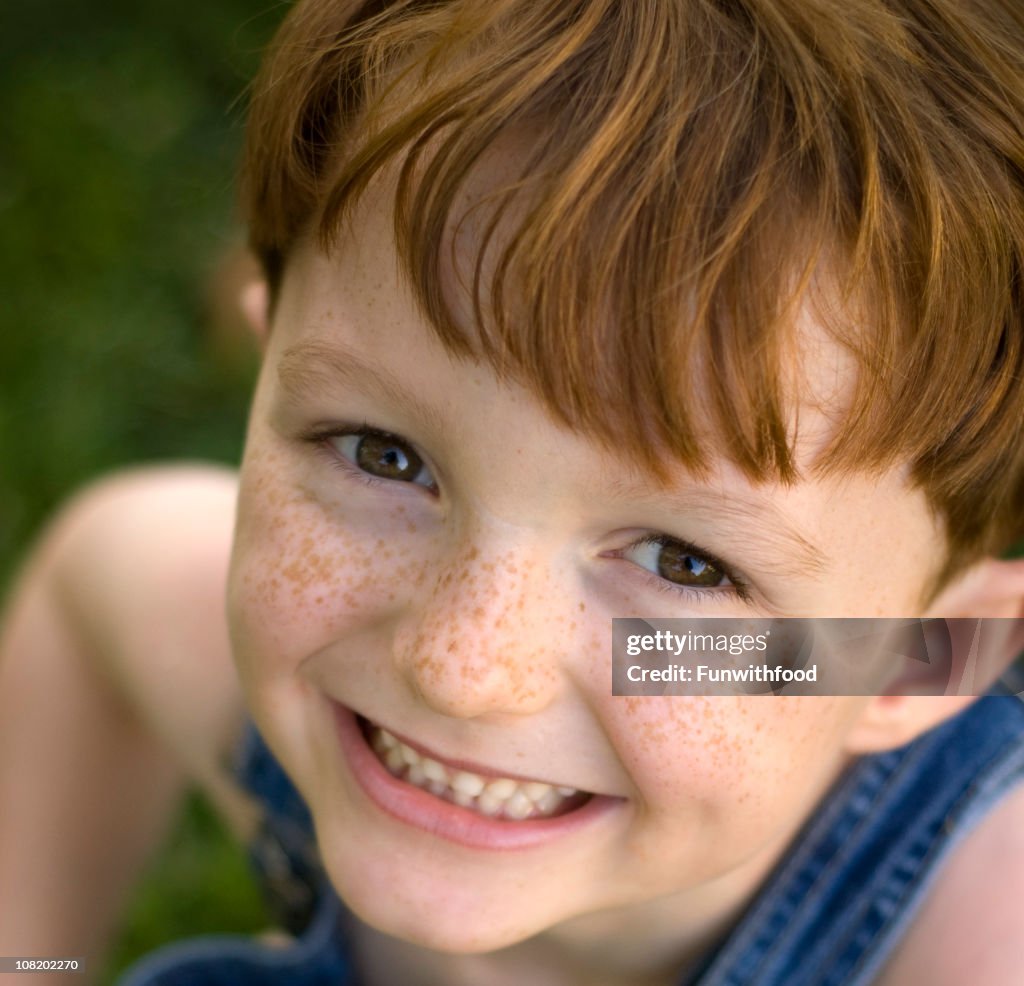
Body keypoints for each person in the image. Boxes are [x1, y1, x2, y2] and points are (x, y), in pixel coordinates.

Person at [2, 1, 1023, 983]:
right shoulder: (213, 628)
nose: (462, 668)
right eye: (382, 451)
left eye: (684, 560)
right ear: (270, 365)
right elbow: (97, 575)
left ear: (914, 654)